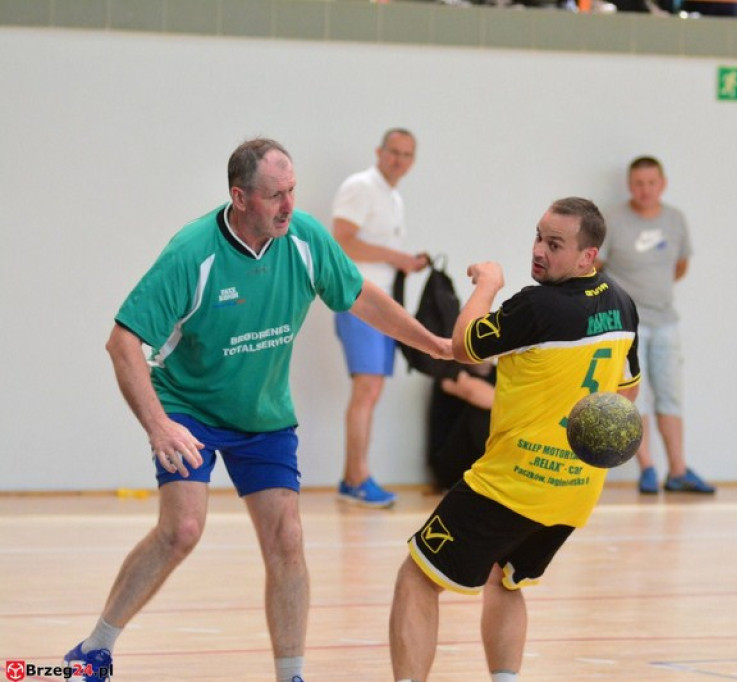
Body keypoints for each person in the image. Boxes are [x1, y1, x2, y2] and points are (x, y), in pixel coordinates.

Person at [62, 138, 451, 682]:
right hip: (188, 406)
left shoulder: (306, 238)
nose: (289, 206)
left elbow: (360, 297)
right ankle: (93, 650)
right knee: (183, 530)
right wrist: (158, 425)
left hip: (263, 412)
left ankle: (290, 674)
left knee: (287, 538)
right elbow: (122, 343)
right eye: (275, 196)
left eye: (292, 191)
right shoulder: (192, 252)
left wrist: (432, 342)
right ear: (240, 197)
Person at [388, 197, 641, 682]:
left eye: (555, 244)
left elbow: (463, 346)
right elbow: (626, 393)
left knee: (417, 577)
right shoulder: (622, 304)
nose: (539, 251)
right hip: (574, 491)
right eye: (539, 237)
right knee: (505, 580)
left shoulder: (537, 306)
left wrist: (488, 283)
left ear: (588, 256)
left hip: (508, 484)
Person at [597, 156, 715, 495]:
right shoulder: (615, 220)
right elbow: (597, 267)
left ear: (662, 184)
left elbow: (680, 267)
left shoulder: (675, 219)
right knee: (635, 397)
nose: (645, 189)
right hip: (629, 325)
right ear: (629, 185)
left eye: (651, 183)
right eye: (638, 183)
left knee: (670, 396)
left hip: (666, 322)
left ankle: (678, 470)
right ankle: (647, 467)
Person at [331, 128, 430, 508]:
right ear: (379, 151)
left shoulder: (392, 197)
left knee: (371, 391)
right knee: (367, 389)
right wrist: (396, 257)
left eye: (407, 154)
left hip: (380, 301)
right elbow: (342, 240)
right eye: (393, 152)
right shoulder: (361, 186)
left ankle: (352, 477)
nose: (398, 160)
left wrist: (404, 261)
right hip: (359, 300)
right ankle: (356, 478)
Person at [427, 362, 496, 491]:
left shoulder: (501, 373)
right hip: (450, 467)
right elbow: (472, 392)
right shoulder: (450, 370)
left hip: (481, 466)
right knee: (482, 407)